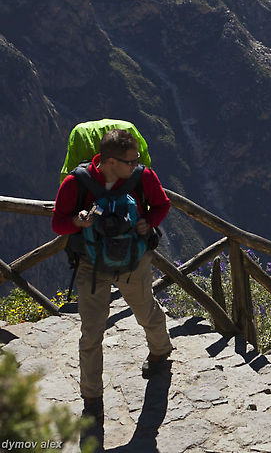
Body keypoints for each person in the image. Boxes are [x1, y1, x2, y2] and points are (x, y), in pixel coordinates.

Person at [52, 129, 173, 431]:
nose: (136, 164)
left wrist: (149, 222)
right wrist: (76, 222)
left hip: (133, 261)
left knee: (145, 310)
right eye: (130, 160)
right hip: (92, 266)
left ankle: (160, 352)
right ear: (108, 161)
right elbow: (58, 222)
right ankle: (92, 398)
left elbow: (162, 204)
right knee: (91, 331)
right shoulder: (76, 183)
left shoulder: (142, 177)